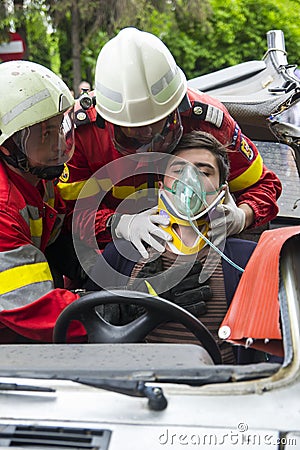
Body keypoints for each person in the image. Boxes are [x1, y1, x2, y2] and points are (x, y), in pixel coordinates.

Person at [57, 27, 282, 260]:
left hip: (207, 252)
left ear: (179, 105)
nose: (147, 136)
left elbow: (264, 185)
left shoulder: (208, 123)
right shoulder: (84, 133)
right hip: (122, 256)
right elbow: (69, 214)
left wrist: (242, 217)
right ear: (106, 120)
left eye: (158, 124)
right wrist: (119, 224)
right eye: (132, 131)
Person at [84, 131, 259, 364]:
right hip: (141, 385)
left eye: (204, 172)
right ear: (161, 187)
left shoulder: (247, 258)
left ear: (221, 192)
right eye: (178, 171)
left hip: (218, 390)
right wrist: (130, 306)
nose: (190, 181)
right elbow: (86, 327)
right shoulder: (123, 253)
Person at [0, 60, 94, 343]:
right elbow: (33, 307)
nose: (56, 145)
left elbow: (58, 232)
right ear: (8, 146)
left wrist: (94, 266)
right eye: (43, 134)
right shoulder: (3, 206)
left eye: (59, 129)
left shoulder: (39, 178)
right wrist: (110, 313)